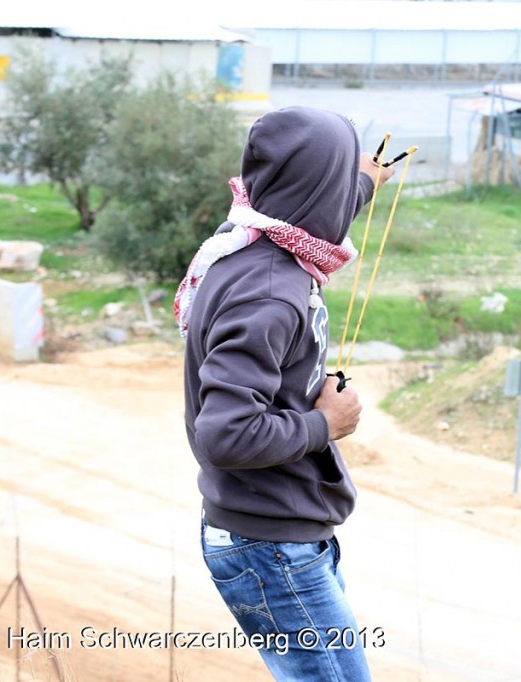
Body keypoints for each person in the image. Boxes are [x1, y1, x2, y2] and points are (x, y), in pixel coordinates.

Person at [176, 106, 393, 681]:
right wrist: (327, 424)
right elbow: (226, 433)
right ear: (320, 188)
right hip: (270, 545)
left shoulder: (249, 237)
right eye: (339, 176)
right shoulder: (270, 293)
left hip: (273, 534)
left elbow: (316, 206)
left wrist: (367, 179)